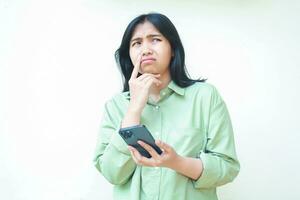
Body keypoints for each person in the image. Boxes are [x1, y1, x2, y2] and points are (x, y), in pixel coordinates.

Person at [93, 12, 240, 200]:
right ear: (128, 54)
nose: (145, 49)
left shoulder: (205, 96)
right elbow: (111, 173)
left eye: (155, 40)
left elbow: (227, 168)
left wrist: (177, 162)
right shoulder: (115, 106)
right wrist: (134, 109)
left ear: (172, 49)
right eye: (137, 43)